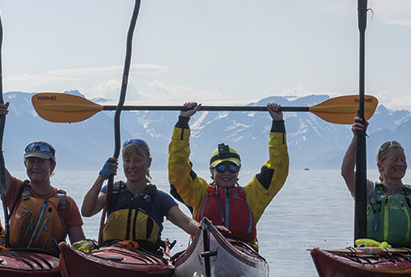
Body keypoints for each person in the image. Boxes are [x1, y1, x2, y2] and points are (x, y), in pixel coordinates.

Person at [167, 102, 288, 250]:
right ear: (212, 171)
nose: (226, 173)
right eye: (221, 168)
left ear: (238, 171)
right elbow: (178, 166)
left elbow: (278, 166)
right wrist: (183, 121)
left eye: (232, 168)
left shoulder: (252, 195)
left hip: (242, 249)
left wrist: (277, 123)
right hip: (205, 248)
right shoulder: (199, 193)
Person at [0, 99, 86, 253]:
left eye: (41, 162)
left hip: (51, 262)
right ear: (25, 164)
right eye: (31, 161)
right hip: (16, 259)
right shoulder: (15, 190)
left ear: (52, 166)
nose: (35, 167)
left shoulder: (66, 204)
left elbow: (79, 247)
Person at [341, 116, 411, 250]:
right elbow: (346, 171)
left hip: (408, 257)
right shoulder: (368, 191)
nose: (400, 164)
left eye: (403, 160)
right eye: (395, 160)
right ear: (380, 166)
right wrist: (357, 136)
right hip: (370, 255)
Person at [83, 138, 200, 255]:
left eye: (137, 160)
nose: (131, 165)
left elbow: (186, 222)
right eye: (127, 160)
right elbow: (86, 211)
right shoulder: (111, 191)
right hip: (110, 255)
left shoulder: (159, 198)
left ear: (148, 162)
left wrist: (204, 229)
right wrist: (101, 178)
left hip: (146, 257)